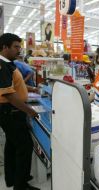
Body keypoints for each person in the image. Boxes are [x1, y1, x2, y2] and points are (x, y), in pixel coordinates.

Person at [0, 33, 40, 190]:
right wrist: (31, 111)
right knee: (25, 146)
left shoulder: (9, 63)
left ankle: (12, 178)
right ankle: (21, 185)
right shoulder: (2, 66)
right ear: (5, 47)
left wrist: (32, 88)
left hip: (10, 111)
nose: (19, 50)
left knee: (12, 144)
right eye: (16, 47)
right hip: (10, 112)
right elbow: (9, 94)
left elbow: (16, 85)